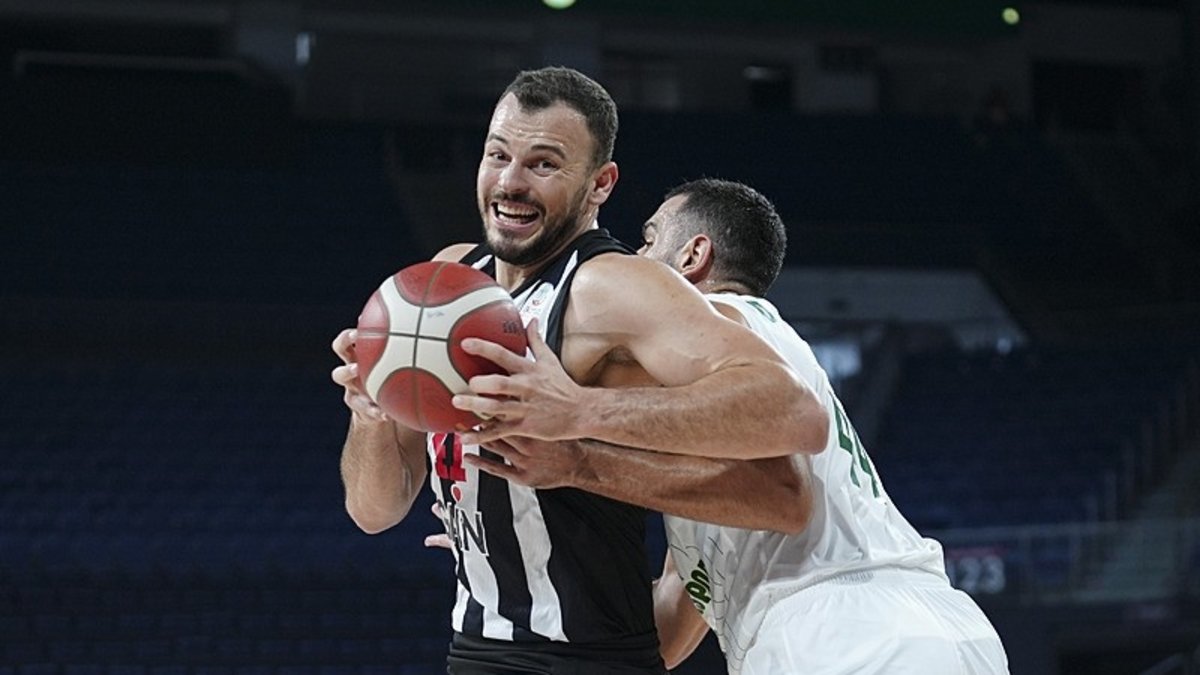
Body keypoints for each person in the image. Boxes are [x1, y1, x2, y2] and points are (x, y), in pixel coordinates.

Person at [330, 68, 829, 674]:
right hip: (477, 646)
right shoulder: (449, 279)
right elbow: (374, 511)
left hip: (588, 655)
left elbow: (793, 412)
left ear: (600, 184)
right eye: (498, 155)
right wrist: (372, 414)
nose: (511, 182)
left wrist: (578, 414)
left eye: (543, 164)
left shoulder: (613, 285)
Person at [458, 178, 1011, 674]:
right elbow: (667, 632)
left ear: (693, 256)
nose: (632, 260)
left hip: (836, 634)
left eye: (648, 241)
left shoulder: (728, 322)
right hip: (941, 627)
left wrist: (578, 438)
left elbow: (784, 496)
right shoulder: (725, 413)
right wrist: (505, 557)